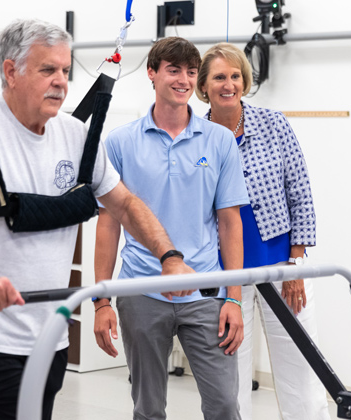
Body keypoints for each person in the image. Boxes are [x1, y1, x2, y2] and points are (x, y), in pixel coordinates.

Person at [0, 19, 194, 420]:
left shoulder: (75, 135)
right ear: (12, 72)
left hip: (50, 335)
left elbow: (125, 205)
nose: (61, 81)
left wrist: (169, 256)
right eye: (48, 70)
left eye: (65, 70)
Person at [92, 37, 249, 420]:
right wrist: (101, 300)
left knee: (225, 405)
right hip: (142, 290)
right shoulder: (120, 143)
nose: (182, 80)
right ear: (152, 73)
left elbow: (230, 223)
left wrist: (234, 298)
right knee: (148, 407)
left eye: (190, 72)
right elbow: (108, 223)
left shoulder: (220, 141)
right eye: (173, 70)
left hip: (205, 293)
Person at [195, 43, 328, 420]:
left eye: (235, 76)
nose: (229, 84)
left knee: (300, 371)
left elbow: (300, 192)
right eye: (219, 77)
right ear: (204, 85)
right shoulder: (196, 136)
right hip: (226, 275)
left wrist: (295, 264)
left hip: (283, 267)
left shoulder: (273, 124)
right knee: (230, 378)